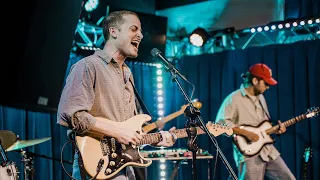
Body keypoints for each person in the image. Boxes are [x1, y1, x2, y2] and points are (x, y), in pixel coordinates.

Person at [57, 10, 176, 180]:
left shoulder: (127, 74)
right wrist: (117, 132)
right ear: (113, 31)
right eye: (134, 29)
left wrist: (155, 139)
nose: (140, 35)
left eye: (141, 31)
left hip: (125, 166)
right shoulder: (88, 66)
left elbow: (130, 130)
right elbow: (71, 114)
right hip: (98, 164)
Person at [215, 63, 296, 180]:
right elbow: (219, 125)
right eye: (266, 83)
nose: (268, 87)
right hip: (249, 154)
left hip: (268, 150)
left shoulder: (261, 98)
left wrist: (276, 130)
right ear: (255, 81)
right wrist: (245, 133)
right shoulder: (234, 98)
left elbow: (262, 126)